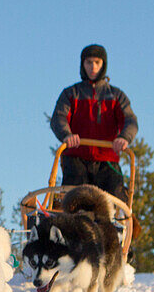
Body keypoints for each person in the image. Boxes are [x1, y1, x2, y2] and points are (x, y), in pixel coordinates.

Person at [50, 44, 138, 202]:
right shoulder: (71, 93)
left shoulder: (116, 95)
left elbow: (130, 120)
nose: (93, 67)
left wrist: (124, 137)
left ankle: (120, 225)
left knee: (116, 200)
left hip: (107, 161)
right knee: (73, 201)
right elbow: (59, 117)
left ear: (103, 64)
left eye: (97, 62)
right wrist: (67, 135)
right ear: (83, 65)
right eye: (89, 62)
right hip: (77, 159)